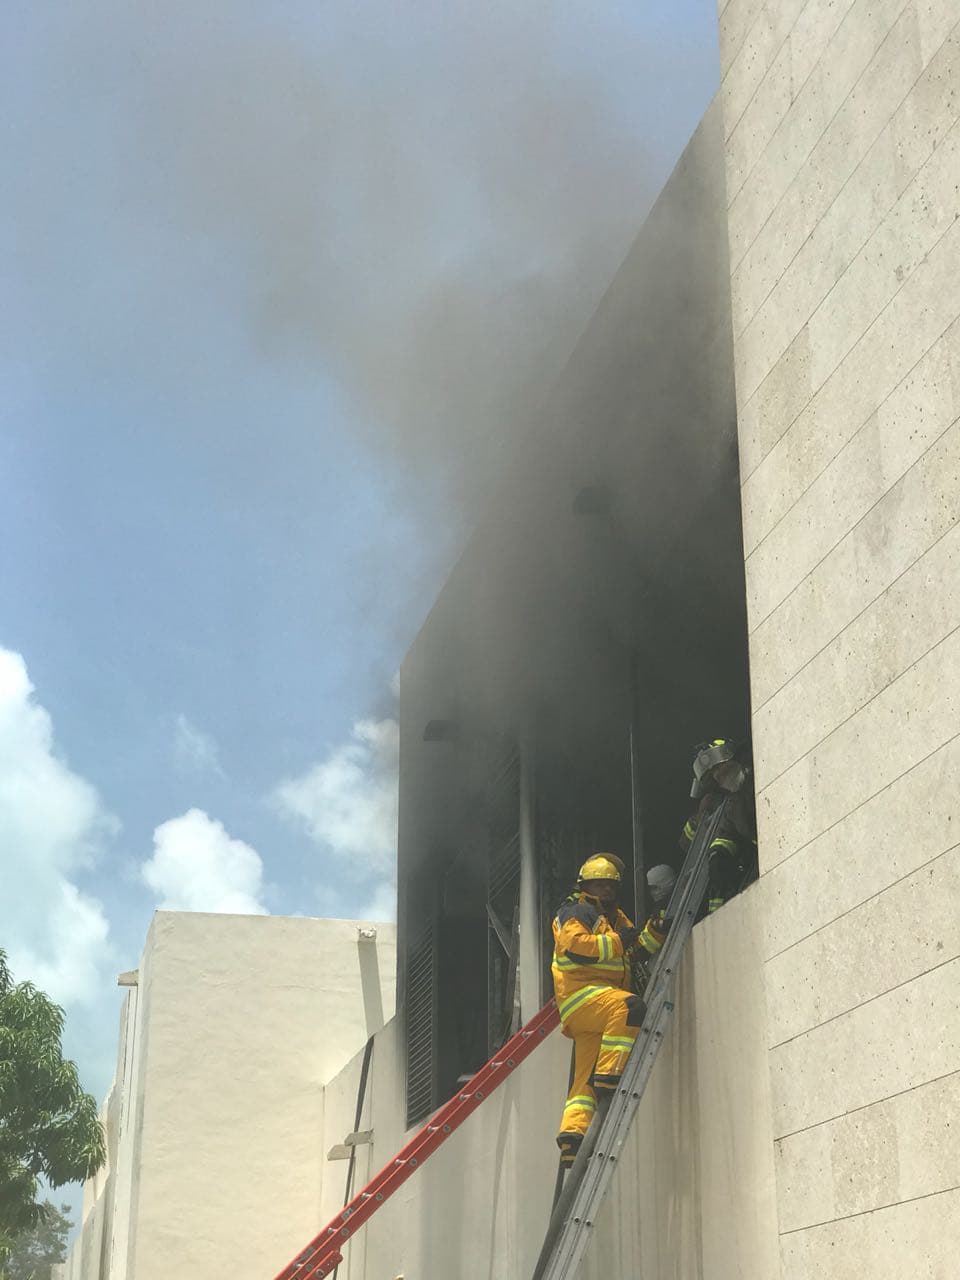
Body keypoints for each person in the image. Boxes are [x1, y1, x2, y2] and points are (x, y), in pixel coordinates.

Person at [550, 854, 646, 1167]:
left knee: (582, 1084)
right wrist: (618, 942)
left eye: (611, 885)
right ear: (585, 887)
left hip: (596, 1004)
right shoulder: (577, 912)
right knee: (628, 1006)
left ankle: (572, 1140)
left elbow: (635, 949)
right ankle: (610, 1077)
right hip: (583, 997)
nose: (606, 890)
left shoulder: (616, 918)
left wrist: (656, 931)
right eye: (599, 884)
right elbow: (578, 949)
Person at [679, 738, 757, 914]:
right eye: (716, 777)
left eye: (722, 771)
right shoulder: (731, 804)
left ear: (732, 759)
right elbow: (726, 833)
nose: (720, 778)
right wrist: (719, 854)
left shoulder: (760, 774)